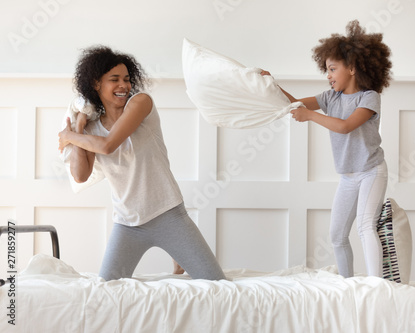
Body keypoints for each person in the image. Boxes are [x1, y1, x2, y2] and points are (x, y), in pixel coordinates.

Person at [58, 45, 225, 281]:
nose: (124, 85)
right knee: (106, 290)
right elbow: (80, 175)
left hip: (168, 215)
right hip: (127, 224)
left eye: (126, 79)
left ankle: (177, 249)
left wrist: (69, 137)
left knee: (217, 284)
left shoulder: (140, 103)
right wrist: (78, 127)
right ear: (96, 84)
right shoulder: (92, 129)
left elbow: (107, 145)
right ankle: (177, 253)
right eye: (114, 79)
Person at [263, 20, 392, 278]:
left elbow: (345, 126)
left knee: (366, 226)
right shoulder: (330, 97)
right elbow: (294, 103)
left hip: (371, 172)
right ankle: (347, 286)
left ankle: (378, 287)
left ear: (353, 68)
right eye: (327, 69)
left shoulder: (368, 97)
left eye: (332, 68)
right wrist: (269, 83)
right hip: (348, 177)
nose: (328, 75)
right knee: (337, 235)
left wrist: (309, 116)